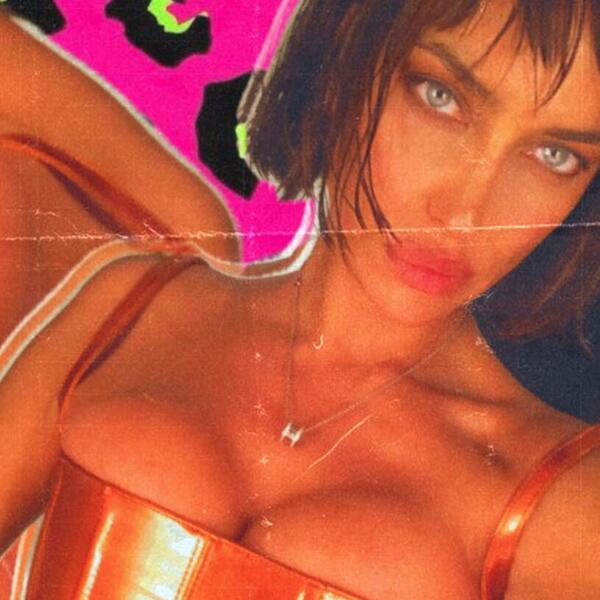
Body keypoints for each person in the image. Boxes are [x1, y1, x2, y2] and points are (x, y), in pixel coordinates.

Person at [0, 1, 599, 598]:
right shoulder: (131, 307)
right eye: (439, 97)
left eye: (556, 156)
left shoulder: (565, 503)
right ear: (347, 51)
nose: (465, 212)